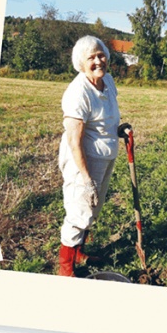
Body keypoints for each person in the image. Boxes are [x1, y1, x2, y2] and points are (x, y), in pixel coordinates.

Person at [57, 35, 122, 277]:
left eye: (101, 54)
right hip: (82, 160)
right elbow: (75, 141)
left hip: (104, 156)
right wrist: (86, 179)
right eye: (91, 57)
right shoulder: (77, 92)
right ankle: (66, 269)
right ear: (81, 64)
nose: (98, 60)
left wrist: (119, 128)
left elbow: (105, 119)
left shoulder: (108, 82)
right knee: (78, 211)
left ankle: (79, 253)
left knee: (93, 208)